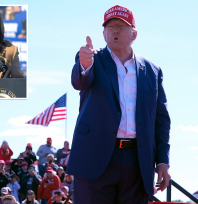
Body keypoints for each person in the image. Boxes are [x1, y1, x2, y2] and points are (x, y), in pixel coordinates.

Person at [67, 5, 171, 204]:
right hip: (94, 159)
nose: (115, 30)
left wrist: (163, 162)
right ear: (104, 33)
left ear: (134, 34)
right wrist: (85, 65)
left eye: (121, 26)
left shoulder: (152, 71)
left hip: (138, 162)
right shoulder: (91, 59)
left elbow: (161, 119)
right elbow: (80, 82)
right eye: (110, 26)